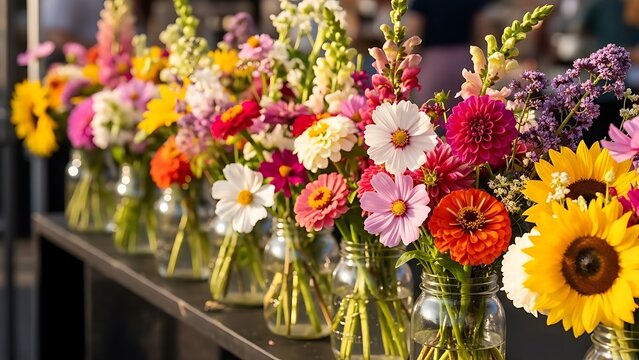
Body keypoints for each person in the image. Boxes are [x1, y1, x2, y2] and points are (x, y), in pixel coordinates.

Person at [407, 0, 487, 108]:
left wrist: (409, 66)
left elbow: (415, 30)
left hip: (433, 62)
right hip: (465, 59)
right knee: (465, 112)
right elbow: (480, 28)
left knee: (430, 114)